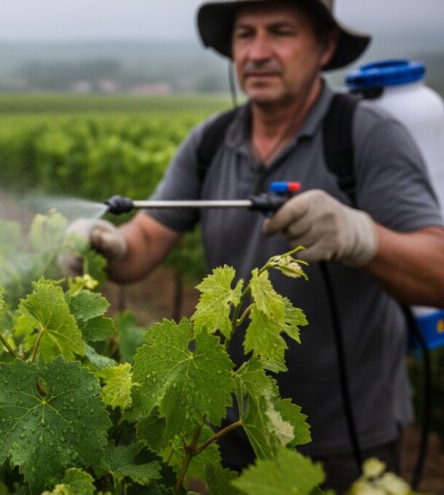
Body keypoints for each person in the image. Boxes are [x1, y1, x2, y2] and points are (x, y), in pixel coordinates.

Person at [63, 0, 444, 491]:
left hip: (345, 438)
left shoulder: (365, 137)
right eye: (246, 35)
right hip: (230, 429)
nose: (258, 52)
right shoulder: (210, 141)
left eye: (280, 32)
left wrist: (361, 237)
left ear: (325, 46)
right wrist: (109, 242)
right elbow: (147, 238)